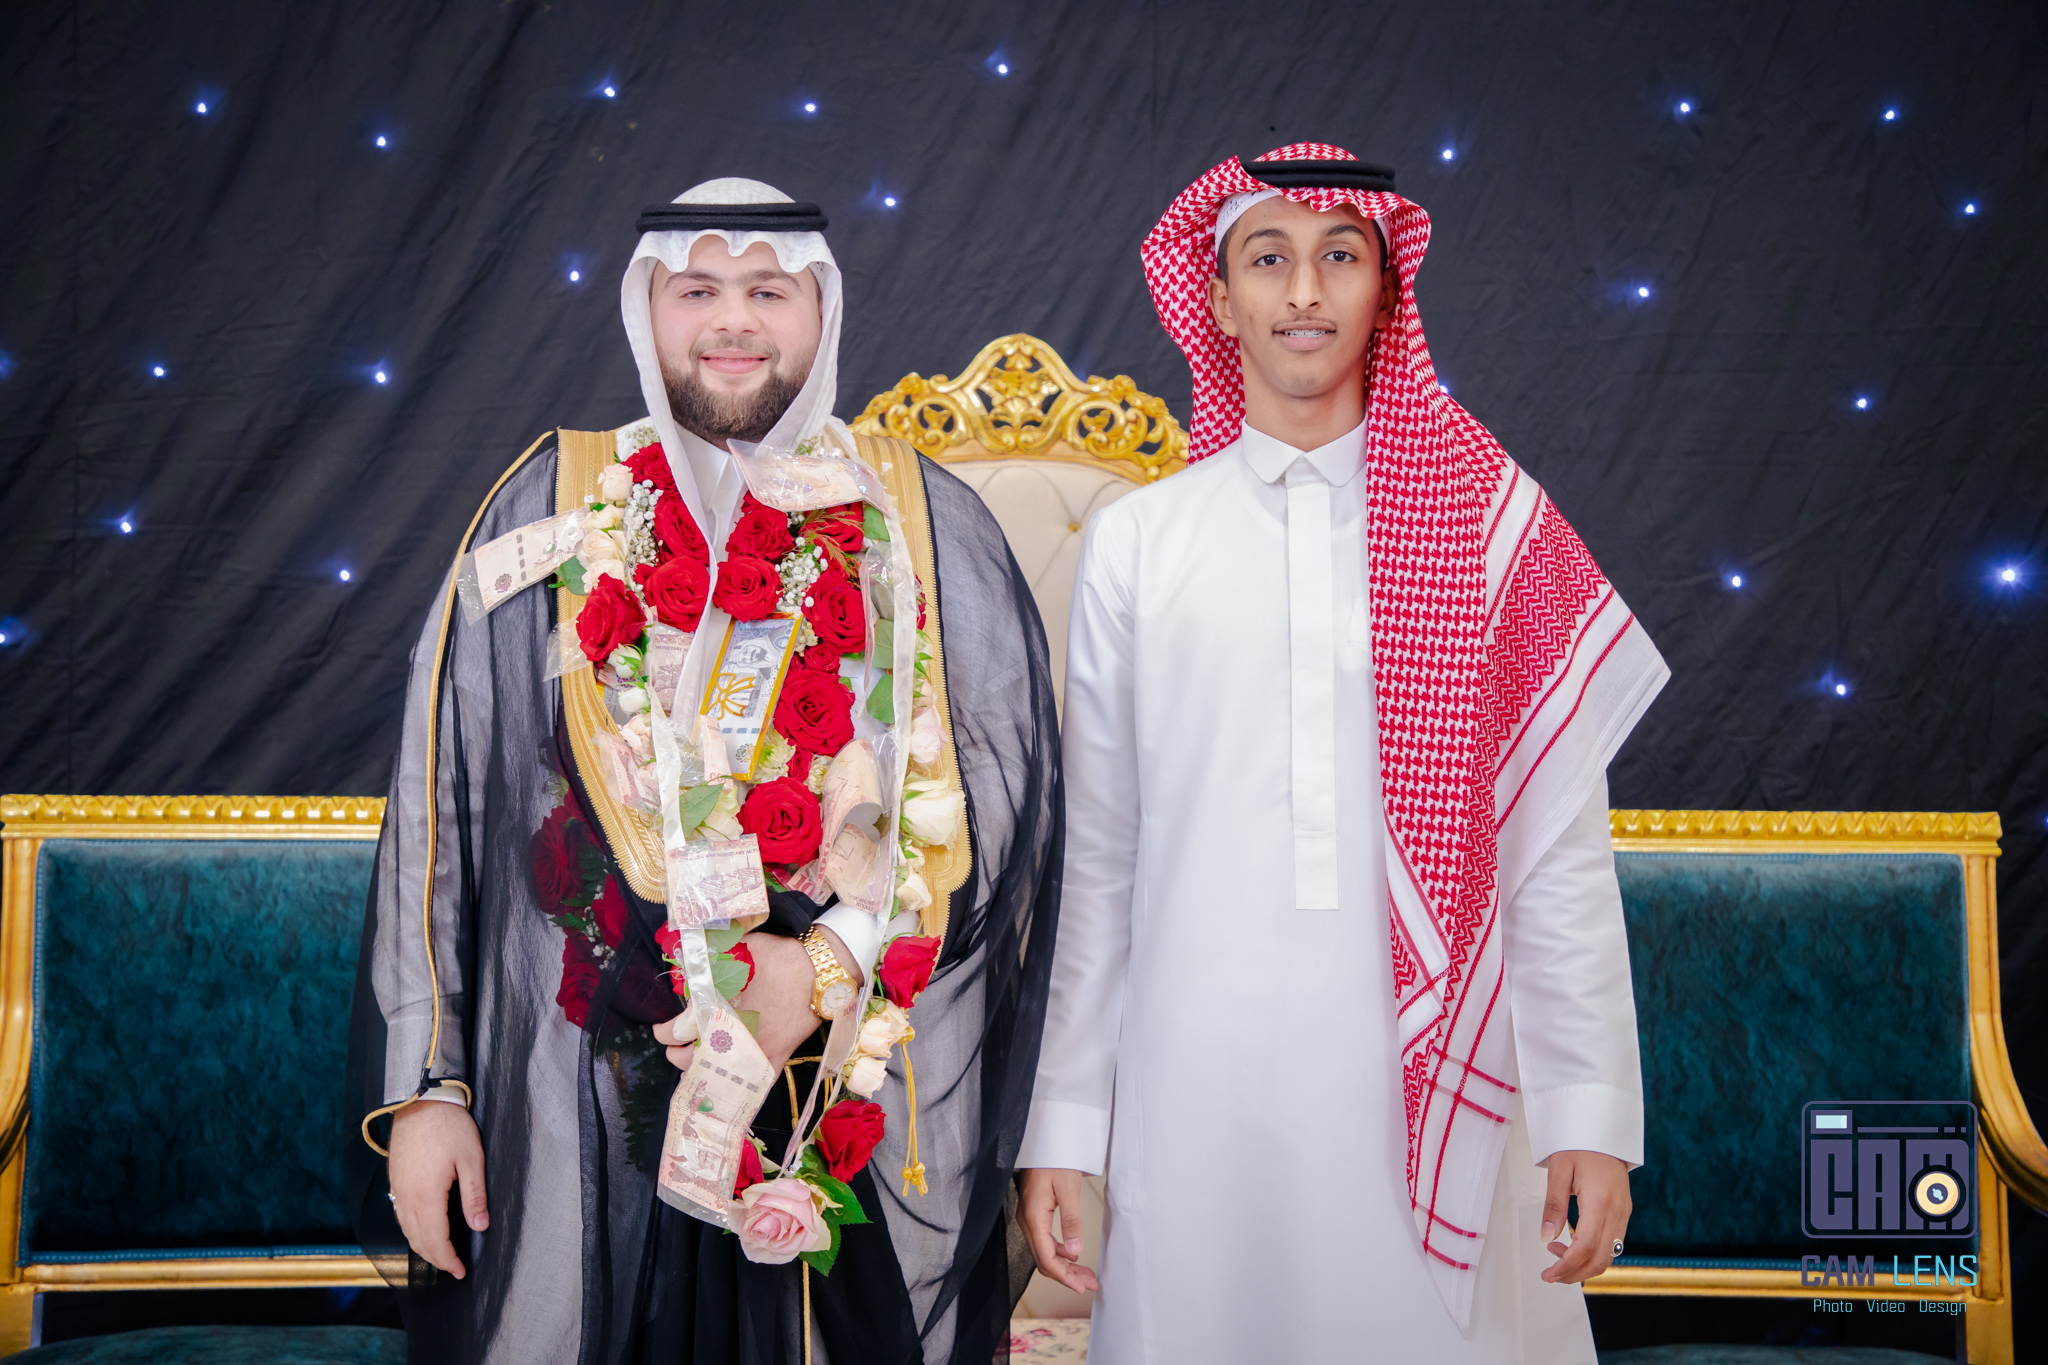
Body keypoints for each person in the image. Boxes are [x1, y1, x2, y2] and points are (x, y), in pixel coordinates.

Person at [345, 177, 1063, 1365]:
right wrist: (431, 1089)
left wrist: (819, 967)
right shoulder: (551, 503)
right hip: (591, 1100)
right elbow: (445, 808)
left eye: (767, 291)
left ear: (821, 311)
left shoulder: (917, 518)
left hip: (844, 1079)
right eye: (697, 290)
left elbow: (990, 811)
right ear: (647, 311)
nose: (732, 320)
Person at [1015, 144, 1669, 1362]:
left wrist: (1587, 1111)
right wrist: (1060, 1121)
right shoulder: (1140, 543)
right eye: (1267, 259)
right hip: (1194, 1074)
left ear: (1385, 289)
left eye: (1338, 257)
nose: (1303, 291)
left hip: (1424, 1066)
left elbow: (1553, 852)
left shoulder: (1486, 528)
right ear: (1218, 300)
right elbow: (1098, 862)